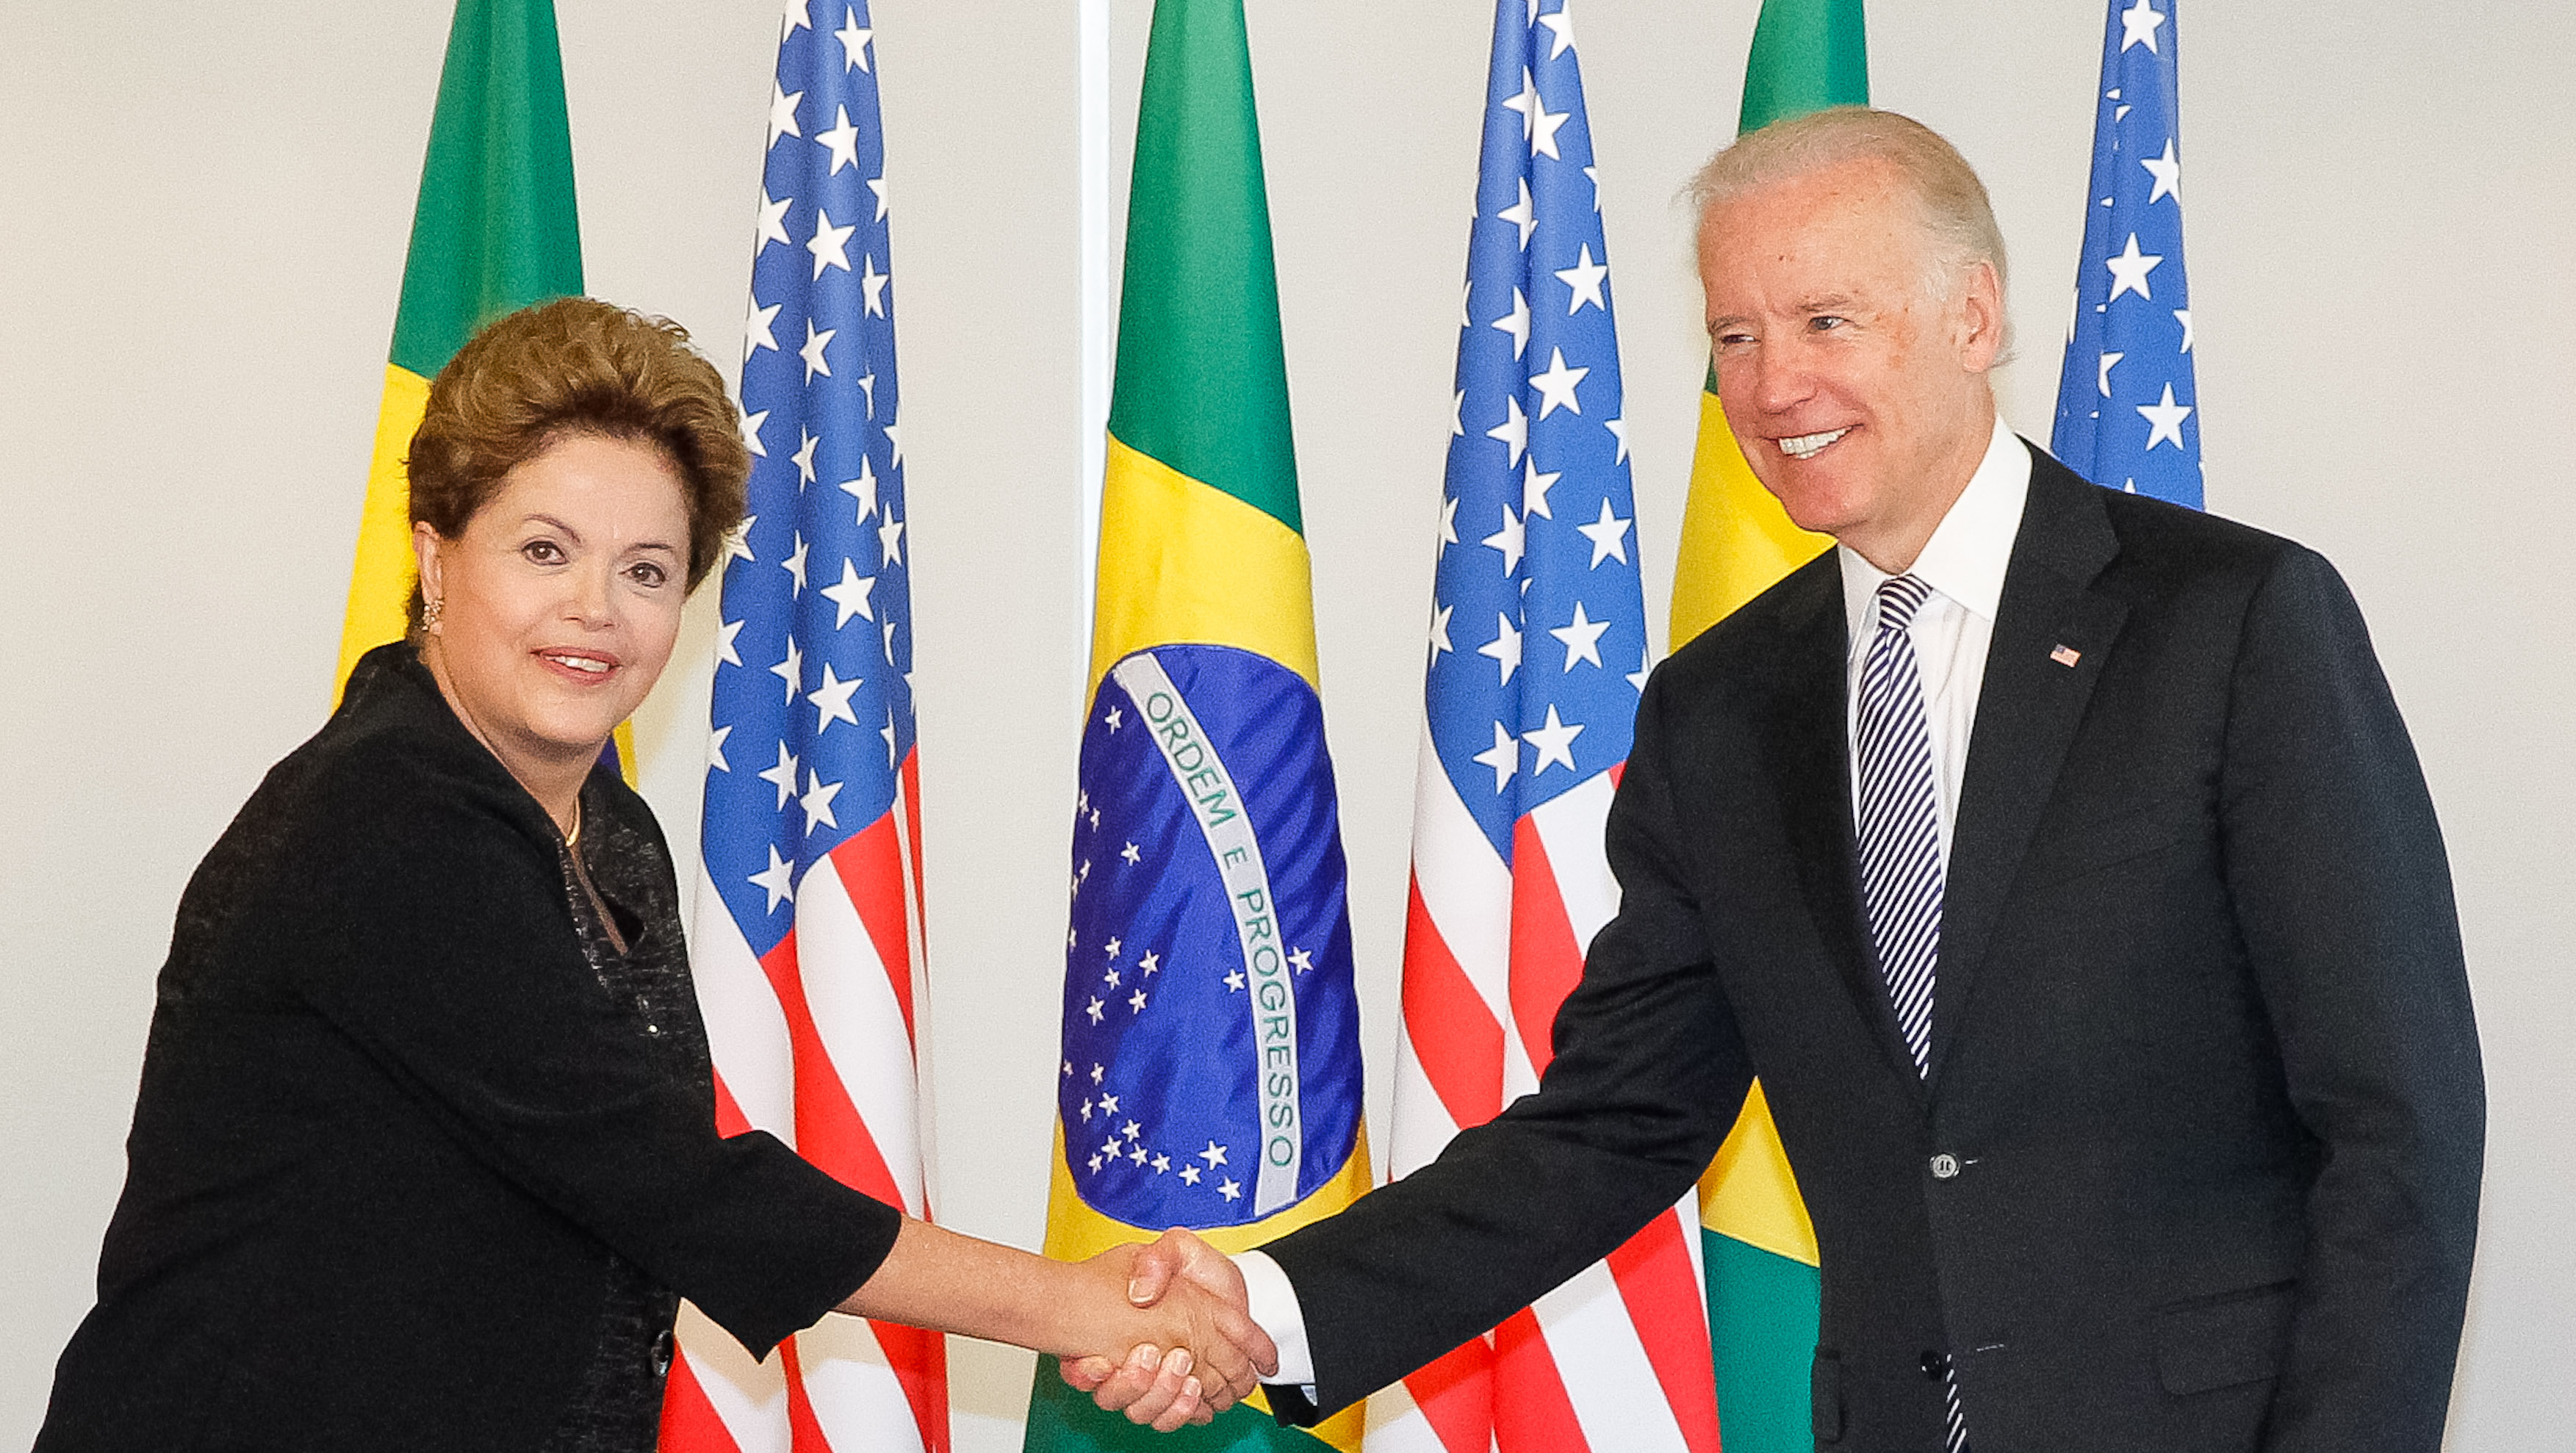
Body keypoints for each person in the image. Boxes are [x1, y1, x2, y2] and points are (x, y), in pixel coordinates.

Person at [1079, 107, 2484, 1452]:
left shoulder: (2230, 619)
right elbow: (1616, 1122)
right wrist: (1265, 1305)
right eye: (1733, 335)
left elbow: (2395, 1128)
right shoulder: (1720, 705)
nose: (1772, 385)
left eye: (1825, 322)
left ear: (1974, 318)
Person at [37, 297, 1268, 1452]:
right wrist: (1081, 1307)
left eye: (646, 569)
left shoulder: (608, 830)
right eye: (543, 549)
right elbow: (676, 1186)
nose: (596, 612)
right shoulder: (384, 815)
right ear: (435, 557)